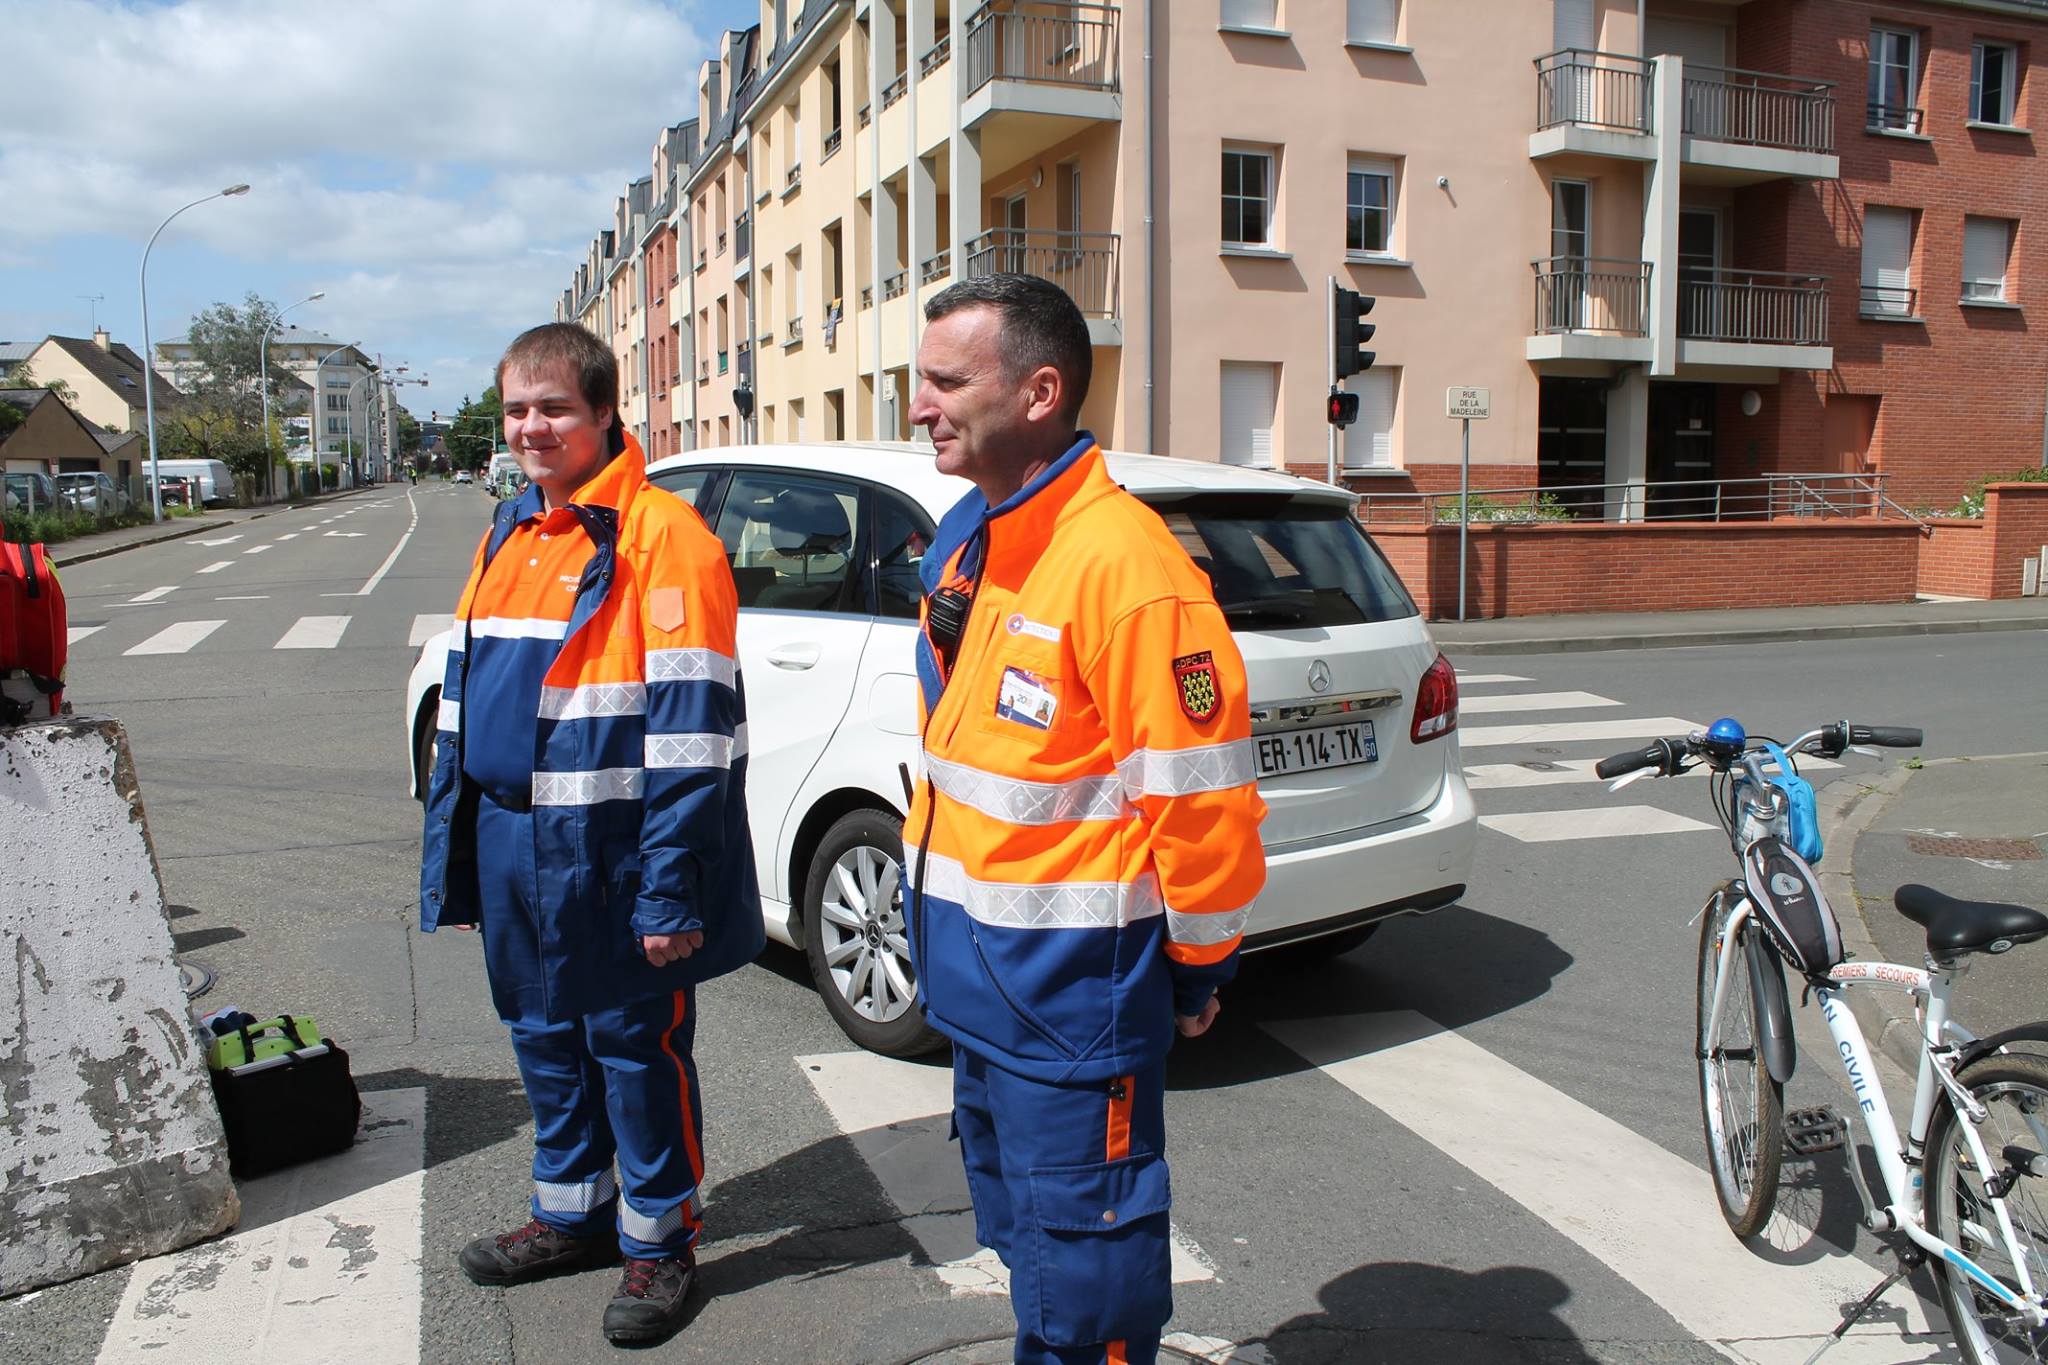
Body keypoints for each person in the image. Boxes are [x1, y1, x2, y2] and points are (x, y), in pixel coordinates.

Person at [903, 275, 1268, 1365]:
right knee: (1031, 1250)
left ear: (1039, 392)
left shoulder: (1125, 567)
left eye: (944, 381)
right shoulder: (973, 536)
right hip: (982, 989)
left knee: (1088, 1292)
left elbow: (1201, 802)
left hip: (1068, 1003)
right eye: (918, 380)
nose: (920, 405)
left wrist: (1199, 967)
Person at [418, 322, 761, 1346]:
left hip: (613, 854)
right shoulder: (510, 531)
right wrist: (462, 855)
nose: (531, 427)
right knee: (543, 1038)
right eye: (516, 409)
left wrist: (670, 889)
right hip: (517, 843)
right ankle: (571, 1216)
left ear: (606, 413)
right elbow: (468, 703)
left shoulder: (664, 539)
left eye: (553, 408)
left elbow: (694, 736)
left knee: (633, 1051)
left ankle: (660, 1246)